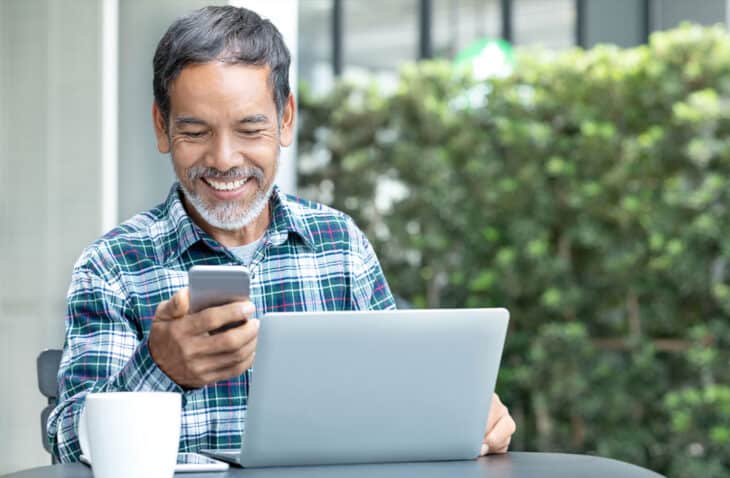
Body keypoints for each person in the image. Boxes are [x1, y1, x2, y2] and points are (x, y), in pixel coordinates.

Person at [47, 5, 516, 463]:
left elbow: (397, 397)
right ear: (162, 126)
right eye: (195, 132)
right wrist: (160, 368)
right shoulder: (113, 266)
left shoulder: (339, 245)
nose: (225, 158)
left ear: (286, 119)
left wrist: (465, 414)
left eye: (250, 129)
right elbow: (69, 442)